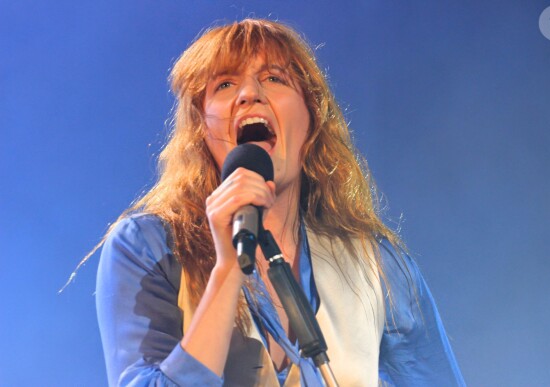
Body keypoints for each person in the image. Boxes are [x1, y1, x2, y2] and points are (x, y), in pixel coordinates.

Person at [95, 18, 465, 386]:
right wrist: (227, 273)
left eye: (275, 78)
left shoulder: (378, 266)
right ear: (201, 129)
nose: (249, 94)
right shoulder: (148, 248)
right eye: (225, 84)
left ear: (313, 118)